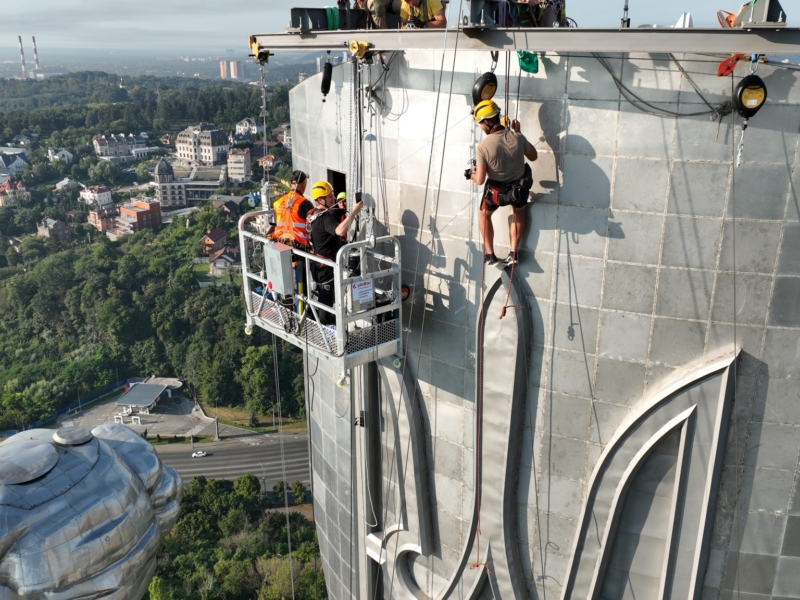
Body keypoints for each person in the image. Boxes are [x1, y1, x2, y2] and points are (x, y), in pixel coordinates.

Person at [470, 99, 537, 267]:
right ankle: (513, 252)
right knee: (519, 212)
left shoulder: (483, 146)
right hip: (519, 190)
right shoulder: (517, 137)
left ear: (486, 121)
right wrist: (519, 133)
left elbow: (480, 180)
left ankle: (491, 255)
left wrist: (472, 174)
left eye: (480, 124)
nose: (480, 127)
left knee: (484, 215)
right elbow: (533, 156)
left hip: (496, 193)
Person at [308, 181, 363, 323]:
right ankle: (326, 329)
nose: (333, 198)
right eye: (330, 196)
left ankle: (326, 323)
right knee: (327, 300)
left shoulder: (312, 214)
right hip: (326, 268)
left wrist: (341, 210)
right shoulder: (325, 219)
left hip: (317, 265)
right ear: (321, 200)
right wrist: (354, 212)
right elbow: (339, 230)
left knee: (324, 297)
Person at [267, 170, 313, 249]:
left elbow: (271, 228)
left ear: (291, 183)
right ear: (303, 184)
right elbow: (313, 228)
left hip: (278, 244)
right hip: (298, 247)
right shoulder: (305, 203)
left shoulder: (277, 203)